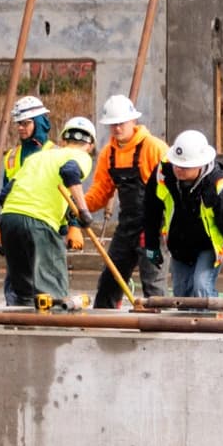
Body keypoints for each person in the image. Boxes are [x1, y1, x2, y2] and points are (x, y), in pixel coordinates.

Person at [141, 130, 223, 299]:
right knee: (181, 294)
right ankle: (187, 325)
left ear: (200, 164)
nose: (178, 169)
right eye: (175, 164)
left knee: (201, 287)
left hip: (209, 245)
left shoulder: (219, 189)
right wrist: (151, 245)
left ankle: (209, 324)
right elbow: (151, 209)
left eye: (185, 167)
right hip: (180, 243)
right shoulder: (164, 174)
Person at [0, 114, 94, 307]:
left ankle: (21, 333)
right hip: (39, 222)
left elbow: (5, 194)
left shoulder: (38, 157)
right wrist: (83, 211)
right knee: (53, 293)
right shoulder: (81, 156)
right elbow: (70, 173)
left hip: (9, 220)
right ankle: (55, 335)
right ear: (90, 145)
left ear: (63, 140)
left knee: (23, 294)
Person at [83, 95, 169, 307]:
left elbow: (172, 190)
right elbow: (100, 192)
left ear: (133, 121)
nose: (116, 129)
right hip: (126, 227)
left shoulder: (154, 148)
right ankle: (104, 329)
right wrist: (79, 207)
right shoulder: (108, 154)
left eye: (120, 123)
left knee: (153, 285)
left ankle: (159, 331)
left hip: (152, 228)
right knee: (109, 283)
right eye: (112, 125)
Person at [0, 95, 53, 211]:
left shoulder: (55, 153)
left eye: (26, 123)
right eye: (19, 123)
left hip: (47, 221)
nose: (20, 128)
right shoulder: (12, 156)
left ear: (38, 123)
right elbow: (5, 194)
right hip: (17, 220)